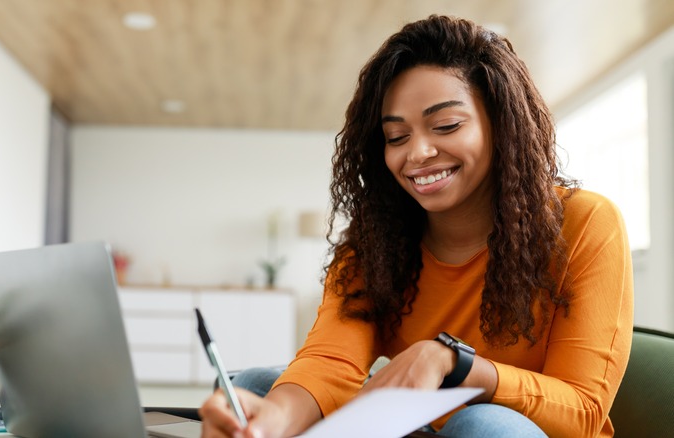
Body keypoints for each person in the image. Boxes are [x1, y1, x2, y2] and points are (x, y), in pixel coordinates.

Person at [199, 14, 633, 438]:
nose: (418, 153)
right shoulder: (377, 242)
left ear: (501, 125)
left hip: (511, 431)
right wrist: (271, 421)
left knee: (480, 423)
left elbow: (583, 412)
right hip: (415, 429)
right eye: (396, 137)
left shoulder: (586, 223)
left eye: (446, 125)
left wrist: (454, 363)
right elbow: (331, 360)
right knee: (256, 386)